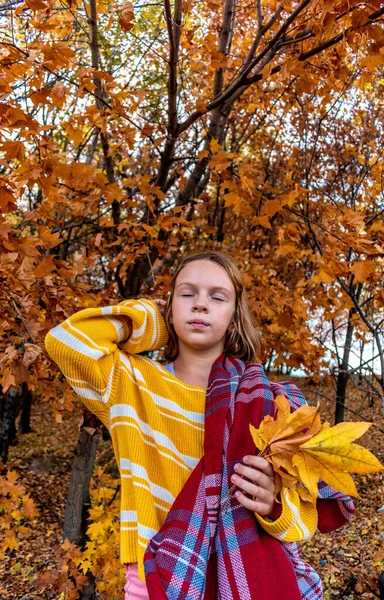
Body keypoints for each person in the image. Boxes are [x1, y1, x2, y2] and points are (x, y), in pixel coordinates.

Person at [45, 250, 354, 600]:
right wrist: (154, 320)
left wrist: (273, 505)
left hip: (245, 577)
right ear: (169, 306)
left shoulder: (268, 403)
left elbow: (303, 524)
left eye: (217, 296)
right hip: (157, 579)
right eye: (187, 293)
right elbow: (66, 343)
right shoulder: (130, 386)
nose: (200, 305)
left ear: (235, 316)